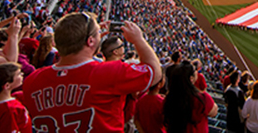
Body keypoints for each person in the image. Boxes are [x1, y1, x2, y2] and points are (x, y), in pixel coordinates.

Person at [23, 13, 162, 132]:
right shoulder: (109, 72)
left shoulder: (32, 80)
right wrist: (138, 39)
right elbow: (154, 73)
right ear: (90, 41)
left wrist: (91, 35)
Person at [163, 60, 217, 133]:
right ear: (191, 79)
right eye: (195, 70)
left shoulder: (168, 98)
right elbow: (214, 112)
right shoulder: (202, 98)